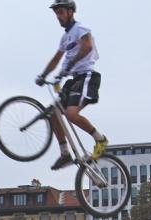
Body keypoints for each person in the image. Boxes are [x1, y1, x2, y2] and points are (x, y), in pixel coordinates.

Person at [36, 0, 108, 170]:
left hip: (87, 77)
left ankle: (100, 139)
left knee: (70, 114)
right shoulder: (65, 38)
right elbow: (56, 59)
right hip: (73, 80)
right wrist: (43, 75)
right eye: (56, 14)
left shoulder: (81, 29)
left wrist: (69, 66)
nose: (58, 17)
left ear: (70, 12)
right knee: (54, 114)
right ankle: (65, 153)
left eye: (61, 12)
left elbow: (87, 47)